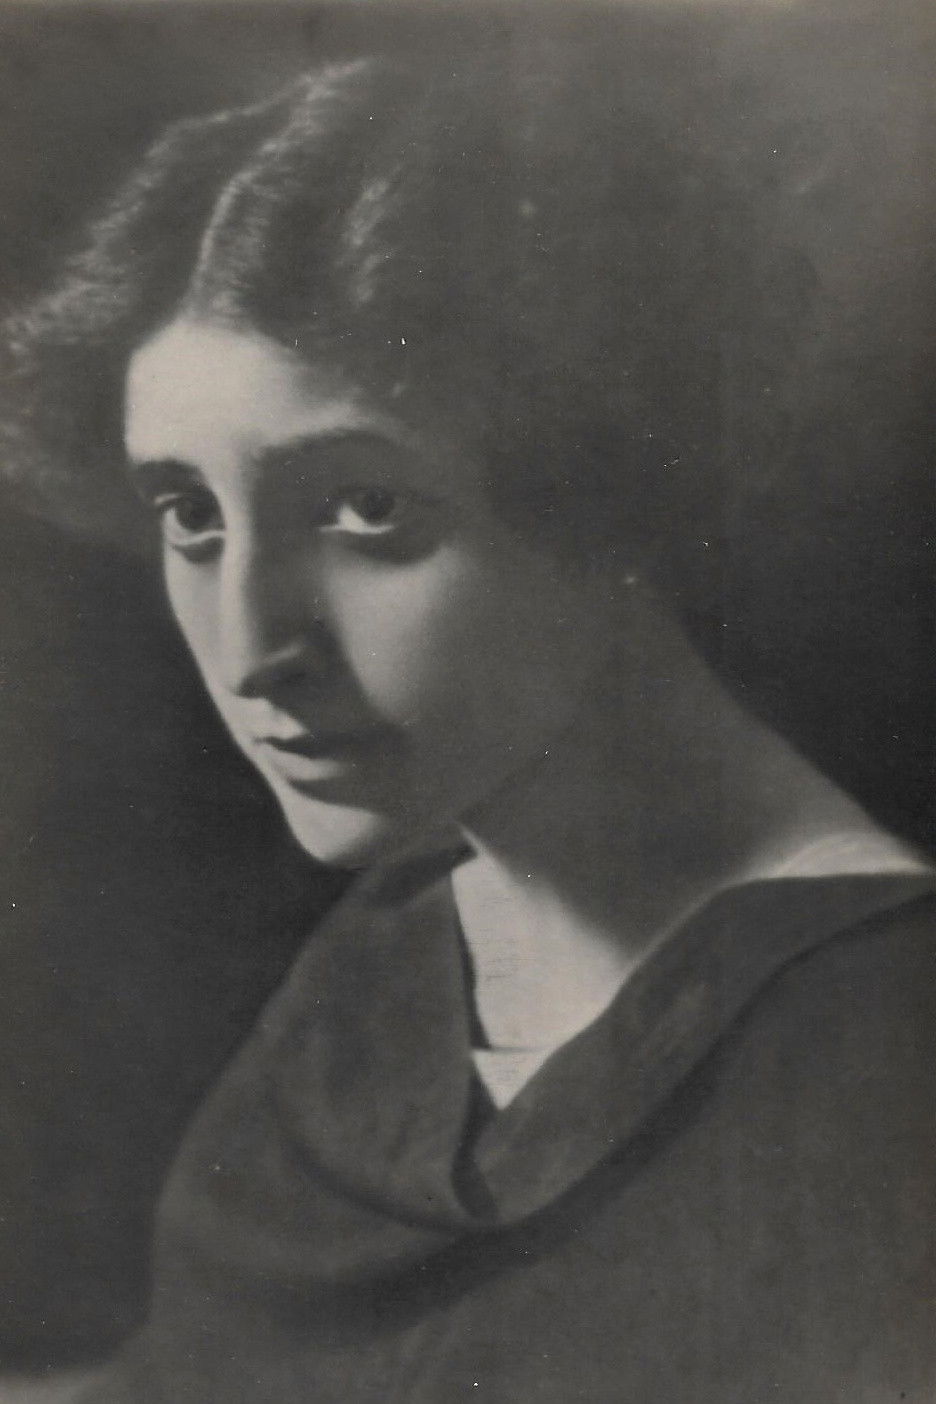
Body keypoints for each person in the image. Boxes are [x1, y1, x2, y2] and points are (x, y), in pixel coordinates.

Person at [2, 20, 935, 1403]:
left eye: (366, 508)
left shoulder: (885, 1048)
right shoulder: (390, 962)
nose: (253, 648)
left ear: (611, 489)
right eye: (191, 516)